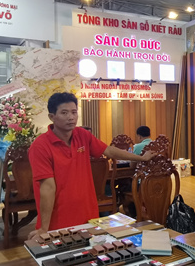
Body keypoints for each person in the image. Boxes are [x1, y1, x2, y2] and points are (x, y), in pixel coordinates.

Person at [28, 92, 155, 238]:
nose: (71, 117)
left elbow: (109, 150)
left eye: (74, 112)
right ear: (52, 117)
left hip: (88, 215)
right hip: (58, 220)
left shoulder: (82, 135)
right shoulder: (40, 146)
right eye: (64, 113)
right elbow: (47, 187)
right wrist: (43, 228)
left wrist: (140, 158)